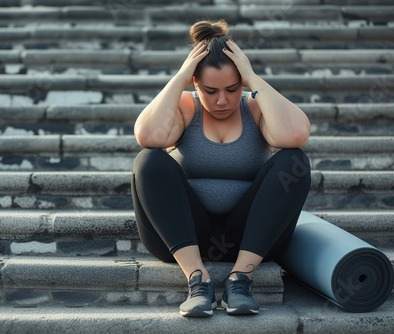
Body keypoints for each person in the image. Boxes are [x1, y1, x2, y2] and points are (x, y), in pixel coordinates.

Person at [131, 19, 312, 317]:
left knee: (294, 161)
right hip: (182, 237)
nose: (222, 100)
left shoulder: (255, 108)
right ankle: (197, 280)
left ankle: (239, 281)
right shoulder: (186, 108)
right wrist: (179, 79)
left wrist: (254, 79)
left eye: (231, 88)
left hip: (249, 239)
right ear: (195, 82)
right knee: (149, 159)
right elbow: (148, 135)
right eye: (211, 90)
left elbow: (294, 136)